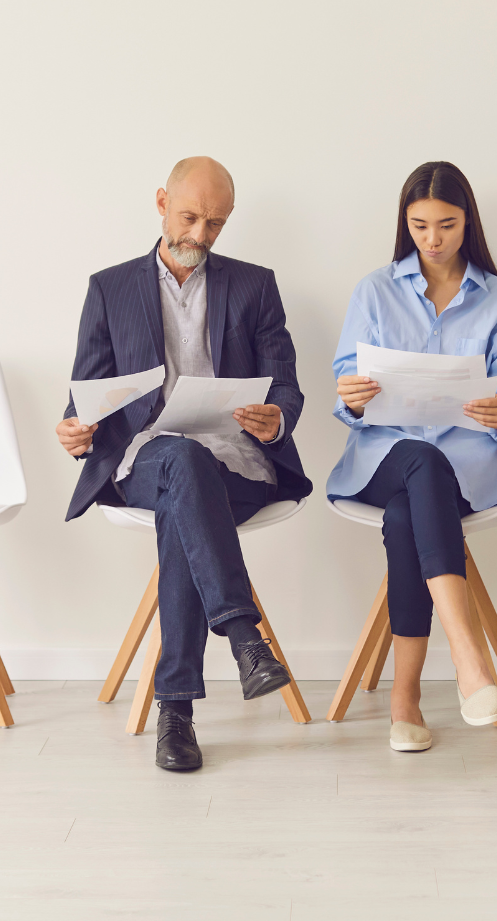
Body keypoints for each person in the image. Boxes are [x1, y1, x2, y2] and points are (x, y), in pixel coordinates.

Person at [57, 157, 312, 772]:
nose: (200, 234)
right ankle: (244, 638)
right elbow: (86, 394)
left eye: (215, 223)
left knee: (186, 495)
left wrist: (277, 417)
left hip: (235, 462)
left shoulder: (254, 286)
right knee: (179, 461)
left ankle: (176, 710)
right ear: (161, 202)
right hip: (145, 459)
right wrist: (75, 429)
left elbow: (285, 385)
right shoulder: (110, 288)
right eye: (190, 217)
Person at [328, 161, 497, 753]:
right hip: (383, 458)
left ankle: (406, 699)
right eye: (420, 226)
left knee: (405, 518)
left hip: (468, 469)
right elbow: (346, 391)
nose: (433, 239)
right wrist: (353, 397)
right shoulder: (374, 291)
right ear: (406, 223)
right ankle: (469, 660)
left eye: (446, 225)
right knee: (419, 458)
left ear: (468, 222)